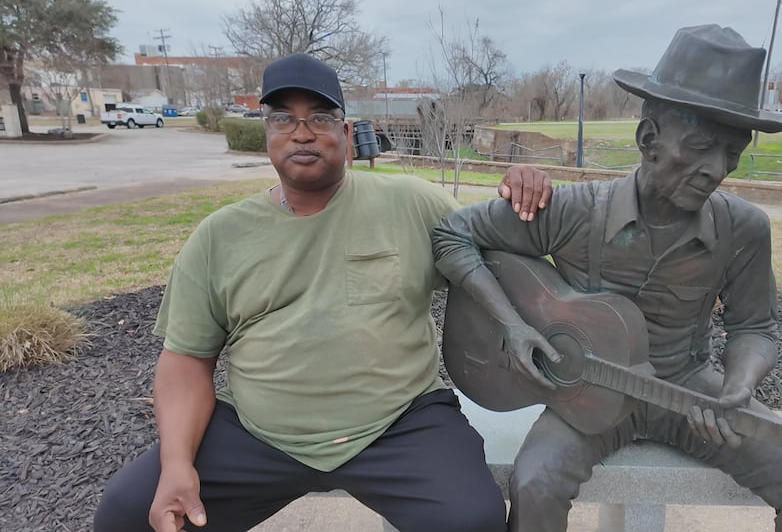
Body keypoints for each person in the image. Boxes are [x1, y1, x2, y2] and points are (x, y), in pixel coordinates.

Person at [93, 52, 553, 532]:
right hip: (257, 432)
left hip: (399, 422)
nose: (302, 132)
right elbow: (186, 361)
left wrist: (520, 192)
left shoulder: (411, 202)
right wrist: (176, 464)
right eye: (283, 119)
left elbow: (497, 256)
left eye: (319, 117)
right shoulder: (220, 236)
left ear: (347, 135)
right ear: (267, 134)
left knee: (471, 521)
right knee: (129, 511)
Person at [432, 25, 782, 532]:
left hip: (690, 390)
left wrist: (738, 388)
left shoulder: (743, 228)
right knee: (535, 482)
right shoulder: (574, 211)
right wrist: (514, 325)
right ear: (648, 138)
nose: (717, 168)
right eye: (700, 146)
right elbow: (452, 234)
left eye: (732, 152)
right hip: (585, 393)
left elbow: (756, 328)